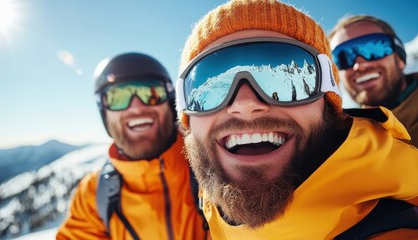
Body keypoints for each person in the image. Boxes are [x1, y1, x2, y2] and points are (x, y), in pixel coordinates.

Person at [175, 0, 418, 239]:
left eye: (286, 78)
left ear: (330, 106)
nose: (245, 105)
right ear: (186, 118)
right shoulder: (205, 210)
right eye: (205, 89)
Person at [56, 53, 208, 239]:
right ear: (104, 112)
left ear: (170, 102)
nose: (136, 107)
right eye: (118, 97)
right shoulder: (93, 196)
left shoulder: (214, 167)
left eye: (151, 93)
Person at [328, 15, 418, 147]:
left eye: (373, 49)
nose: (360, 65)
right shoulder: (341, 140)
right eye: (343, 57)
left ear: (399, 58)